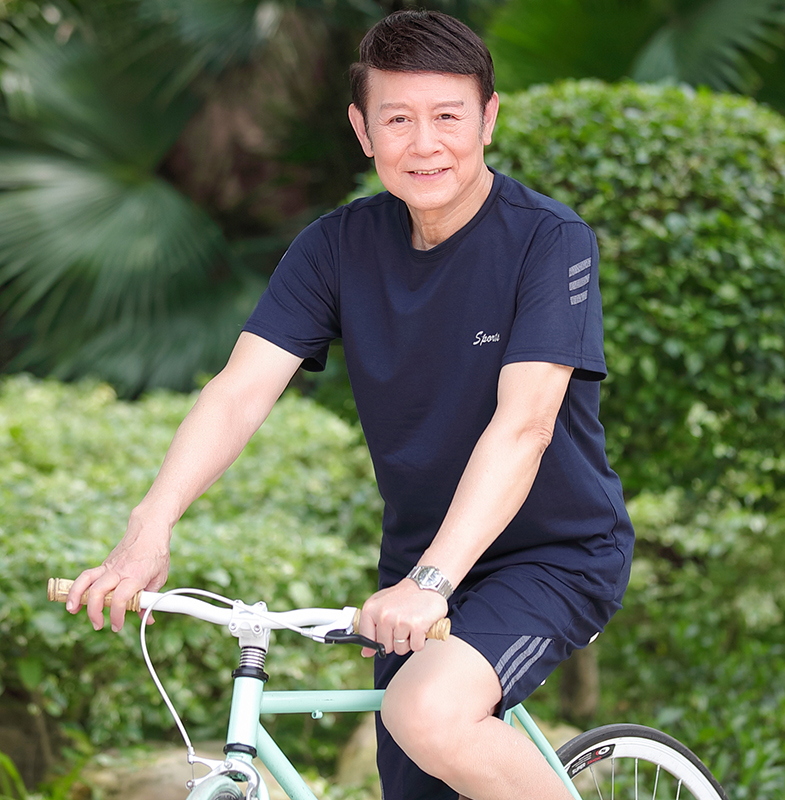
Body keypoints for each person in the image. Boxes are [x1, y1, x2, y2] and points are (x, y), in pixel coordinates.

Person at [67, 10, 634, 800]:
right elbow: (239, 392)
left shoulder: (549, 240)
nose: (424, 144)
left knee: (428, 716)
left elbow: (525, 427)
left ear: (489, 119)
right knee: (418, 772)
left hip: (552, 555)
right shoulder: (336, 247)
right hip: (418, 562)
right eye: (397, 120)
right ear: (363, 131)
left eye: (448, 117)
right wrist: (149, 525)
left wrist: (431, 583)